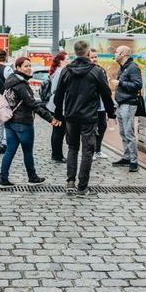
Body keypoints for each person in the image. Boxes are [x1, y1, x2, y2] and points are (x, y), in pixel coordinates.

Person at [53, 41, 115, 197]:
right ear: (88, 53)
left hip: (71, 115)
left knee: (72, 148)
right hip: (89, 116)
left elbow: (59, 95)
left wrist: (59, 114)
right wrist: (111, 113)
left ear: (75, 52)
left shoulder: (67, 70)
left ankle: (70, 182)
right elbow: (106, 94)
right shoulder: (95, 71)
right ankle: (82, 187)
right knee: (88, 150)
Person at [0, 57, 61, 188]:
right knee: (27, 151)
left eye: (30, 65)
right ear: (18, 67)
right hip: (23, 122)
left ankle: (3, 179)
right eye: (26, 66)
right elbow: (32, 104)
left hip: (10, 121)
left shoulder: (10, 81)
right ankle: (32, 177)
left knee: (10, 151)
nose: (29, 68)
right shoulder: (21, 85)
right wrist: (50, 118)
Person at [111, 45, 143, 172]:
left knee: (128, 133)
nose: (115, 54)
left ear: (123, 54)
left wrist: (120, 83)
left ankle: (134, 161)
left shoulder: (132, 67)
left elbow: (138, 85)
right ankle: (127, 157)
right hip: (121, 103)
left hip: (128, 104)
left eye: (117, 52)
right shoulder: (124, 67)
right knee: (123, 132)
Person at [46, 51, 70, 163]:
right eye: (67, 59)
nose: (69, 61)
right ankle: (57, 155)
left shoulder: (57, 71)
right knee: (59, 130)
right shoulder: (60, 72)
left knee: (57, 130)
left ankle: (56, 154)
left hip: (55, 104)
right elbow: (57, 89)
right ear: (61, 61)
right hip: (58, 104)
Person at [88, 49, 109, 160]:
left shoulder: (101, 70)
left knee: (102, 126)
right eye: (92, 57)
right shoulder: (86, 71)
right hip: (91, 105)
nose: (94, 59)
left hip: (101, 104)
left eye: (96, 57)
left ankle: (98, 150)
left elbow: (106, 88)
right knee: (91, 129)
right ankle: (90, 151)